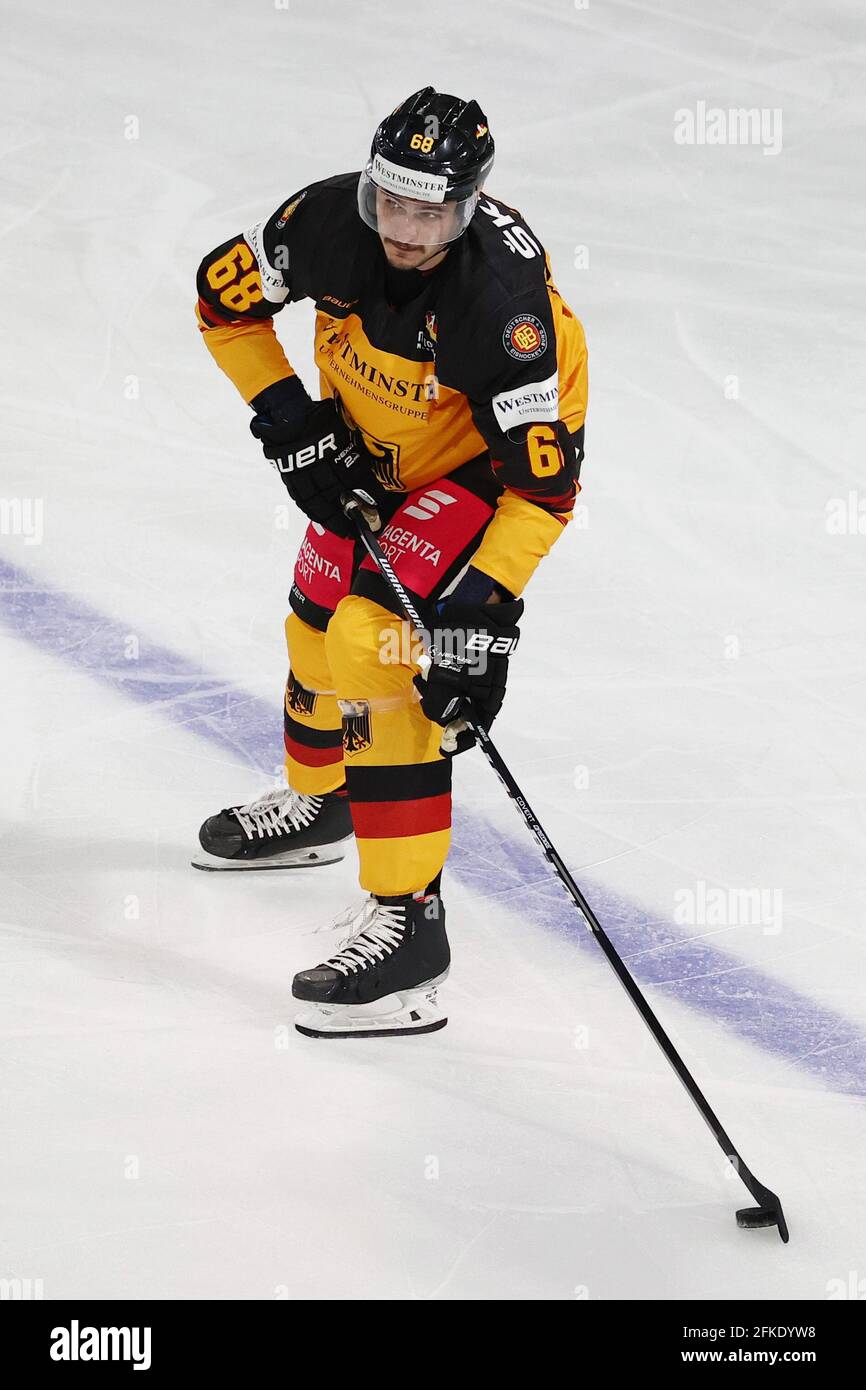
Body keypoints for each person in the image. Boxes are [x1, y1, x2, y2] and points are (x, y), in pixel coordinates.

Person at [193, 87, 588, 1037]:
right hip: (375, 439)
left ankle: (412, 927)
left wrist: (481, 614)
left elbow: (544, 491)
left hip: (479, 468)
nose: (406, 230)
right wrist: (291, 419)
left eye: (432, 211)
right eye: (392, 203)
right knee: (314, 613)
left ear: (468, 206)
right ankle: (322, 800)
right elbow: (222, 301)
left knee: (371, 641)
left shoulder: (502, 309)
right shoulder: (323, 223)